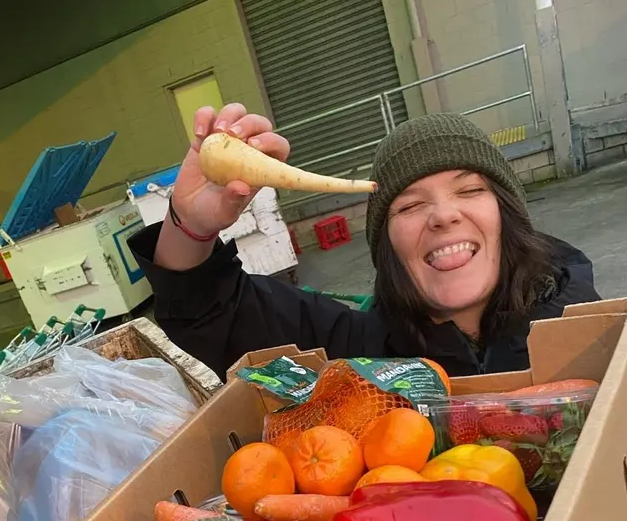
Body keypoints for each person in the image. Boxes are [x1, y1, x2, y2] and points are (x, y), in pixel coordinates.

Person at [129, 101, 599, 382]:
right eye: (410, 206)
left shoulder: (592, 331)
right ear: (386, 247)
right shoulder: (359, 350)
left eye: (470, 190)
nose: (443, 215)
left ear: (506, 214)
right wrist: (191, 223)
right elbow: (208, 310)